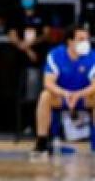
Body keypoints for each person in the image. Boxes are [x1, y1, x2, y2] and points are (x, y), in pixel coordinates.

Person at [32, 24, 94, 157]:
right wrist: (66, 94)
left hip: (84, 97)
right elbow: (48, 83)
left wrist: (78, 94)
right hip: (62, 96)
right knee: (45, 96)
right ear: (70, 41)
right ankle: (41, 141)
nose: (85, 43)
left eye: (87, 39)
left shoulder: (92, 56)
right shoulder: (55, 55)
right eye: (81, 39)